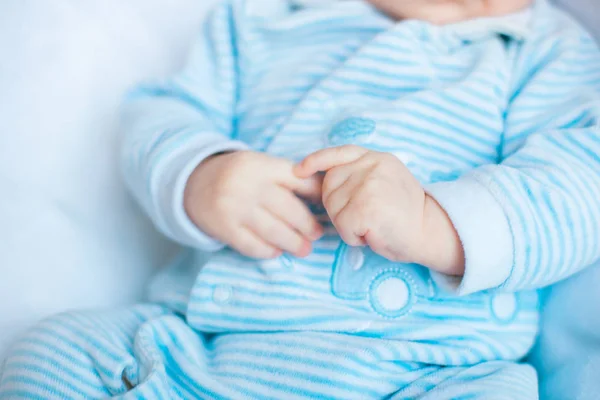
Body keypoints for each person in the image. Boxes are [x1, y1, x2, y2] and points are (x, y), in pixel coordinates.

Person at [2, 0, 600, 398]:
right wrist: (203, 175)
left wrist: (437, 222)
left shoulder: (546, 51)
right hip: (205, 355)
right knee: (54, 352)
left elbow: (582, 182)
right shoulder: (266, 19)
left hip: (432, 372)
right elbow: (161, 111)